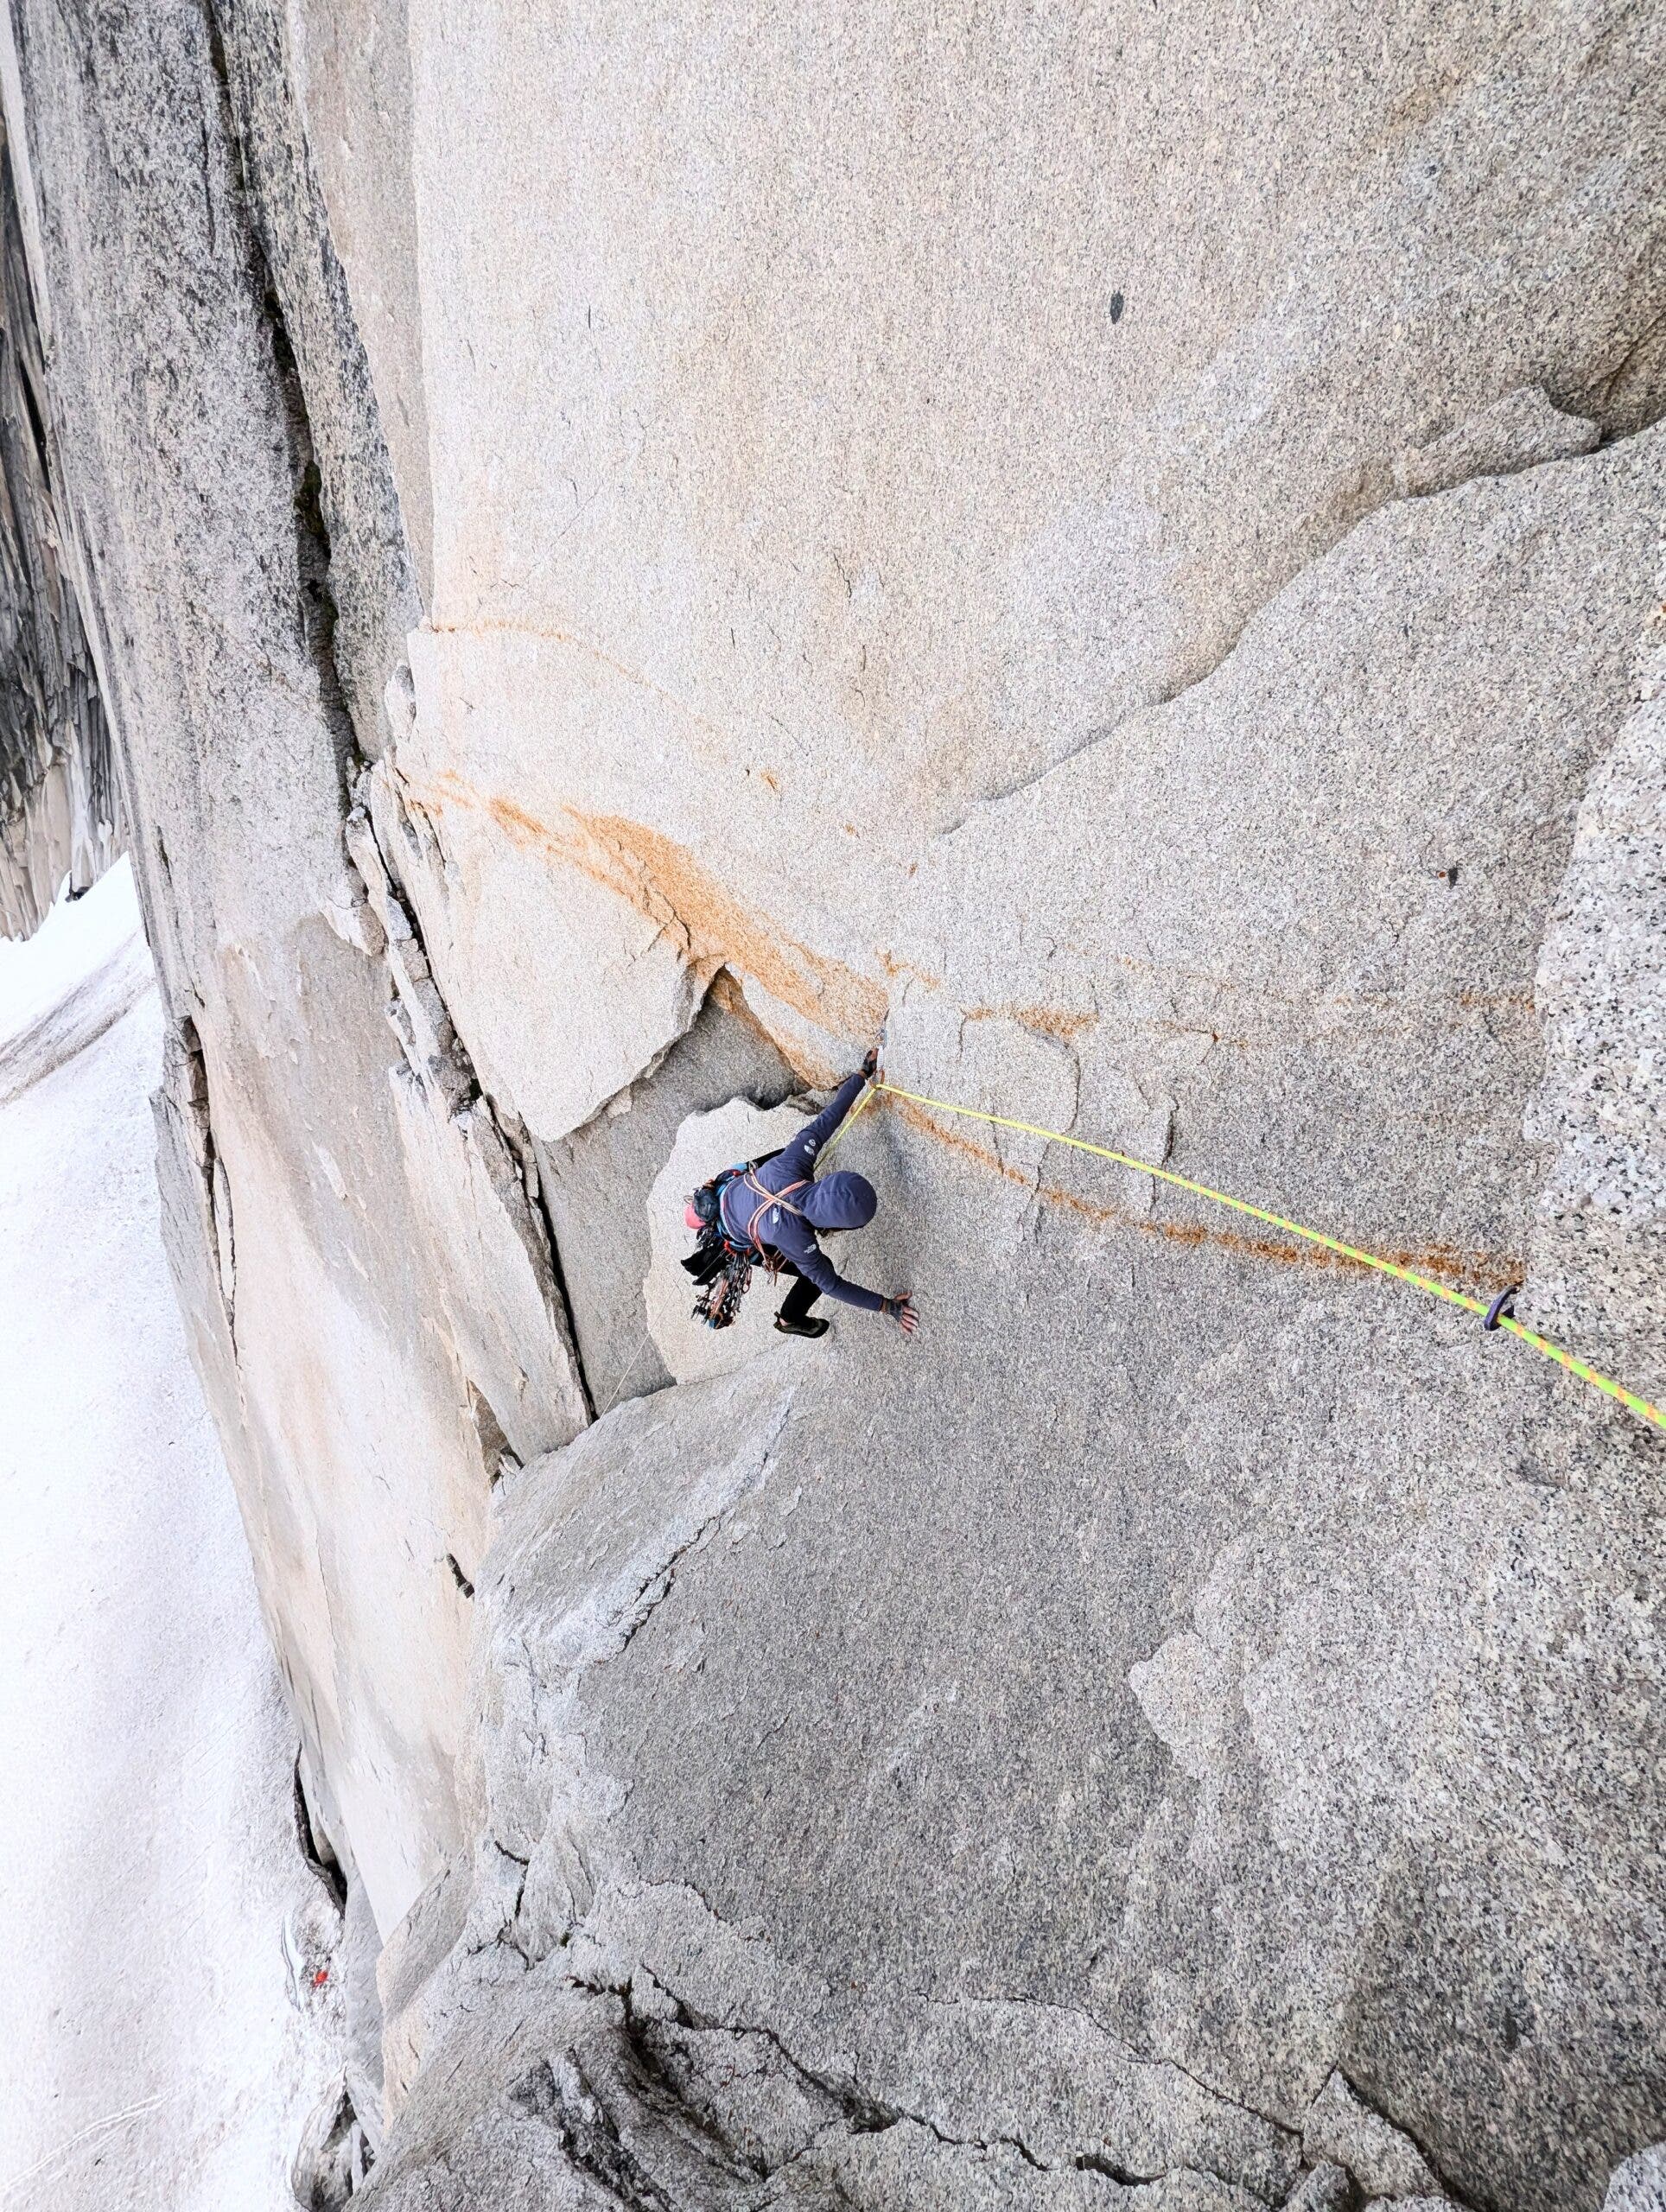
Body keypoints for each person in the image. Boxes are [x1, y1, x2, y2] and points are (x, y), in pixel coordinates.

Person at [684, 1049, 919, 1339]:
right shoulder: (794, 1237)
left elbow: (828, 1119)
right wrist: (888, 1307)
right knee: (817, 1273)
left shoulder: (795, 1160)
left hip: (729, 1189)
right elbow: (830, 1284)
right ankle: (789, 1318)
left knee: (787, 1154)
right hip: (737, 1237)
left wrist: (862, 1073)